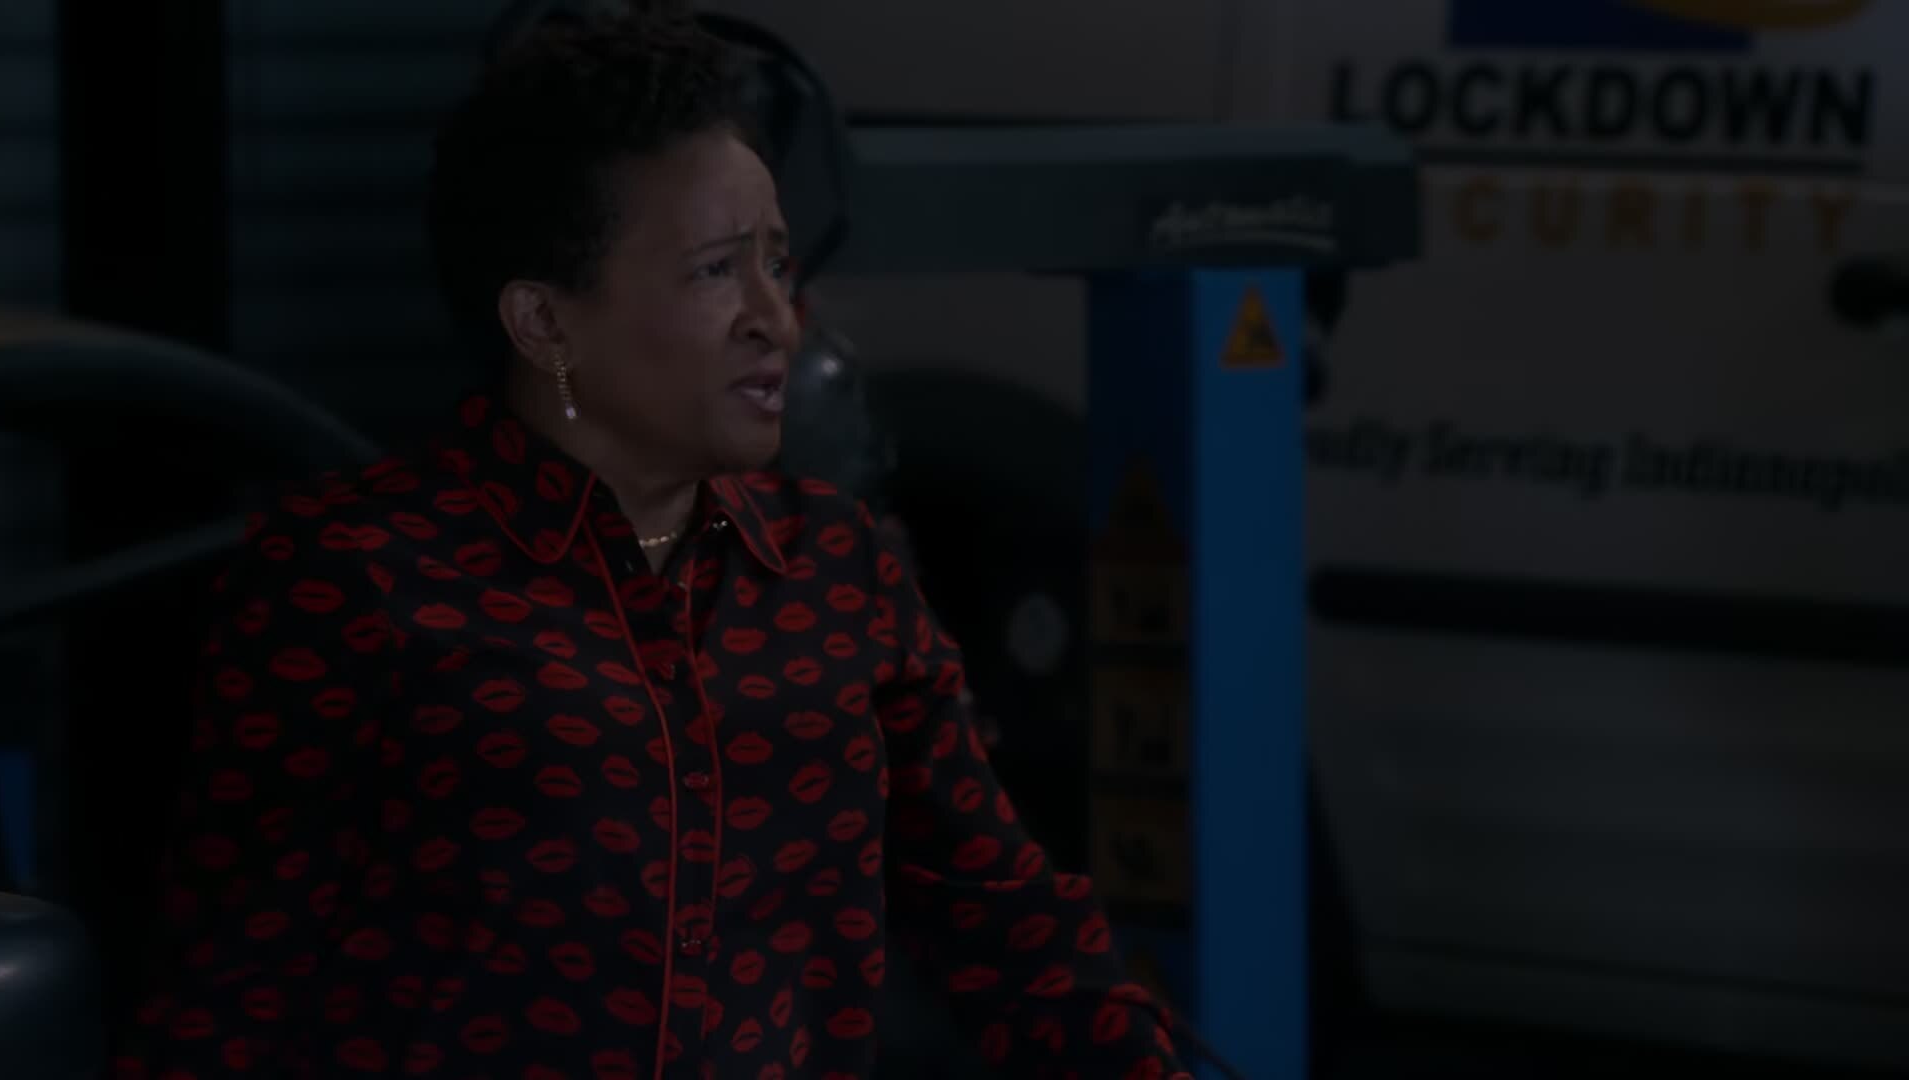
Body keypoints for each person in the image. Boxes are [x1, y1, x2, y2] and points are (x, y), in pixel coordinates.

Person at [111, 10, 1191, 1079]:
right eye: (717, 271)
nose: (778, 318)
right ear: (545, 324)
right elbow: (227, 1005)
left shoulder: (838, 570)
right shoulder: (352, 580)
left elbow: (1010, 928)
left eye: (777, 263)